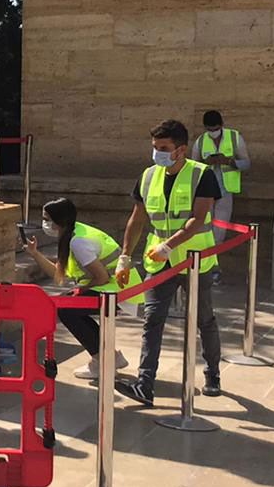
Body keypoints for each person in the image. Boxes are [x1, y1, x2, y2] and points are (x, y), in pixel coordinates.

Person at [113, 119, 223, 408]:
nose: (157, 153)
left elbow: (198, 219)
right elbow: (137, 219)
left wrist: (169, 245)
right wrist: (125, 256)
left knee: (203, 319)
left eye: (163, 148)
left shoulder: (202, 174)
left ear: (181, 149)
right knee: (152, 319)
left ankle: (213, 371)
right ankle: (144, 384)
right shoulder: (149, 175)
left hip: (193, 259)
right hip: (158, 261)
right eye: (154, 148)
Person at [21, 199, 134, 382]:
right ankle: (111, 356)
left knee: (66, 310)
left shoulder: (78, 242)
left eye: (47, 219)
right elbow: (58, 274)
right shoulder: (71, 233)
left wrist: (79, 291)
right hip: (113, 287)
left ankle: (102, 360)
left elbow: (102, 277)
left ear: (60, 221)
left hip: (118, 289)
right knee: (69, 307)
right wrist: (34, 253)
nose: (45, 224)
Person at [191, 110, 250, 250]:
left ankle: (214, 258)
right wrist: (206, 163)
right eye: (210, 129)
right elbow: (193, 168)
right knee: (204, 226)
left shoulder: (235, 138)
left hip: (226, 189)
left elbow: (246, 164)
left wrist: (229, 161)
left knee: (220, 228)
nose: (213, 132)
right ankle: (204, 258)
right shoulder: (200, 141)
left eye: (216, 129)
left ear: (222, 125)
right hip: (206, 191)